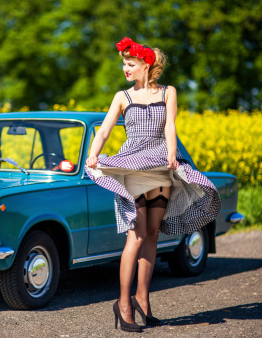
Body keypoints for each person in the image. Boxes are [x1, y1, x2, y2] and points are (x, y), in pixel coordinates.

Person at [84, 37, 221, 332]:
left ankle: (142, 301)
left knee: (153, 235)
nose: (125, 68)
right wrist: (93, 154)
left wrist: (172, 154)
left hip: (159, 164)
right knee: (137, 234)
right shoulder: (123, 97)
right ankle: (123, 304)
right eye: (123, 63)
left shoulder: (168, 92)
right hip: (133, 166)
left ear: (146, 65)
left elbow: (170, 125)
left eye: (130, 63)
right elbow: (106, 129)